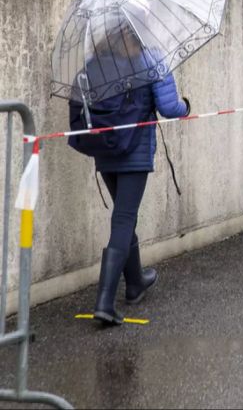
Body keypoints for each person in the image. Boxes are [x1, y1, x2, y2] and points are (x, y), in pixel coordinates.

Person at [87, 45, 191, 326]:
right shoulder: (151, 57)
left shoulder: (94, 61)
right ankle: (104, 303)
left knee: (124, 216)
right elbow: (169, 107)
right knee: (123, 218)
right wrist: (186, 106)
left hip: (105, 149)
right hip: (134, 151)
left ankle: (135, 283)